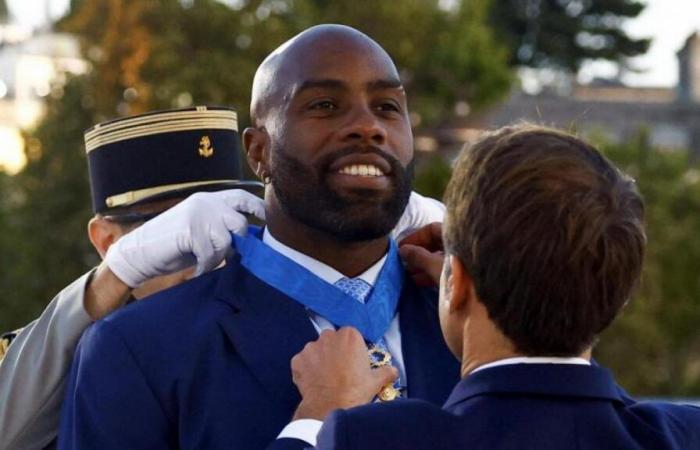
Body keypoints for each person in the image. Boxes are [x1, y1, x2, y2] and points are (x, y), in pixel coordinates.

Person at [57, 24, 461, 450]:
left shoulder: (478, 319)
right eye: (324, 105)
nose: (368, 126)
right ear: (258, 152)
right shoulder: (139, 350)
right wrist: (311, 426)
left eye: (387, 106)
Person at [0, 103, 443, 449]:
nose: (211, 248)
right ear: (107, 239)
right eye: (174, 232)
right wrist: (114, 275)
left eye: (234, 220)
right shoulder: (108, 349)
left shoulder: (308, 323)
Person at [273, 125, 700, 450]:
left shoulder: (373, 437)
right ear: (619, 296)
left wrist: (317, 412)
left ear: (454, 283)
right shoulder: (683, 434)